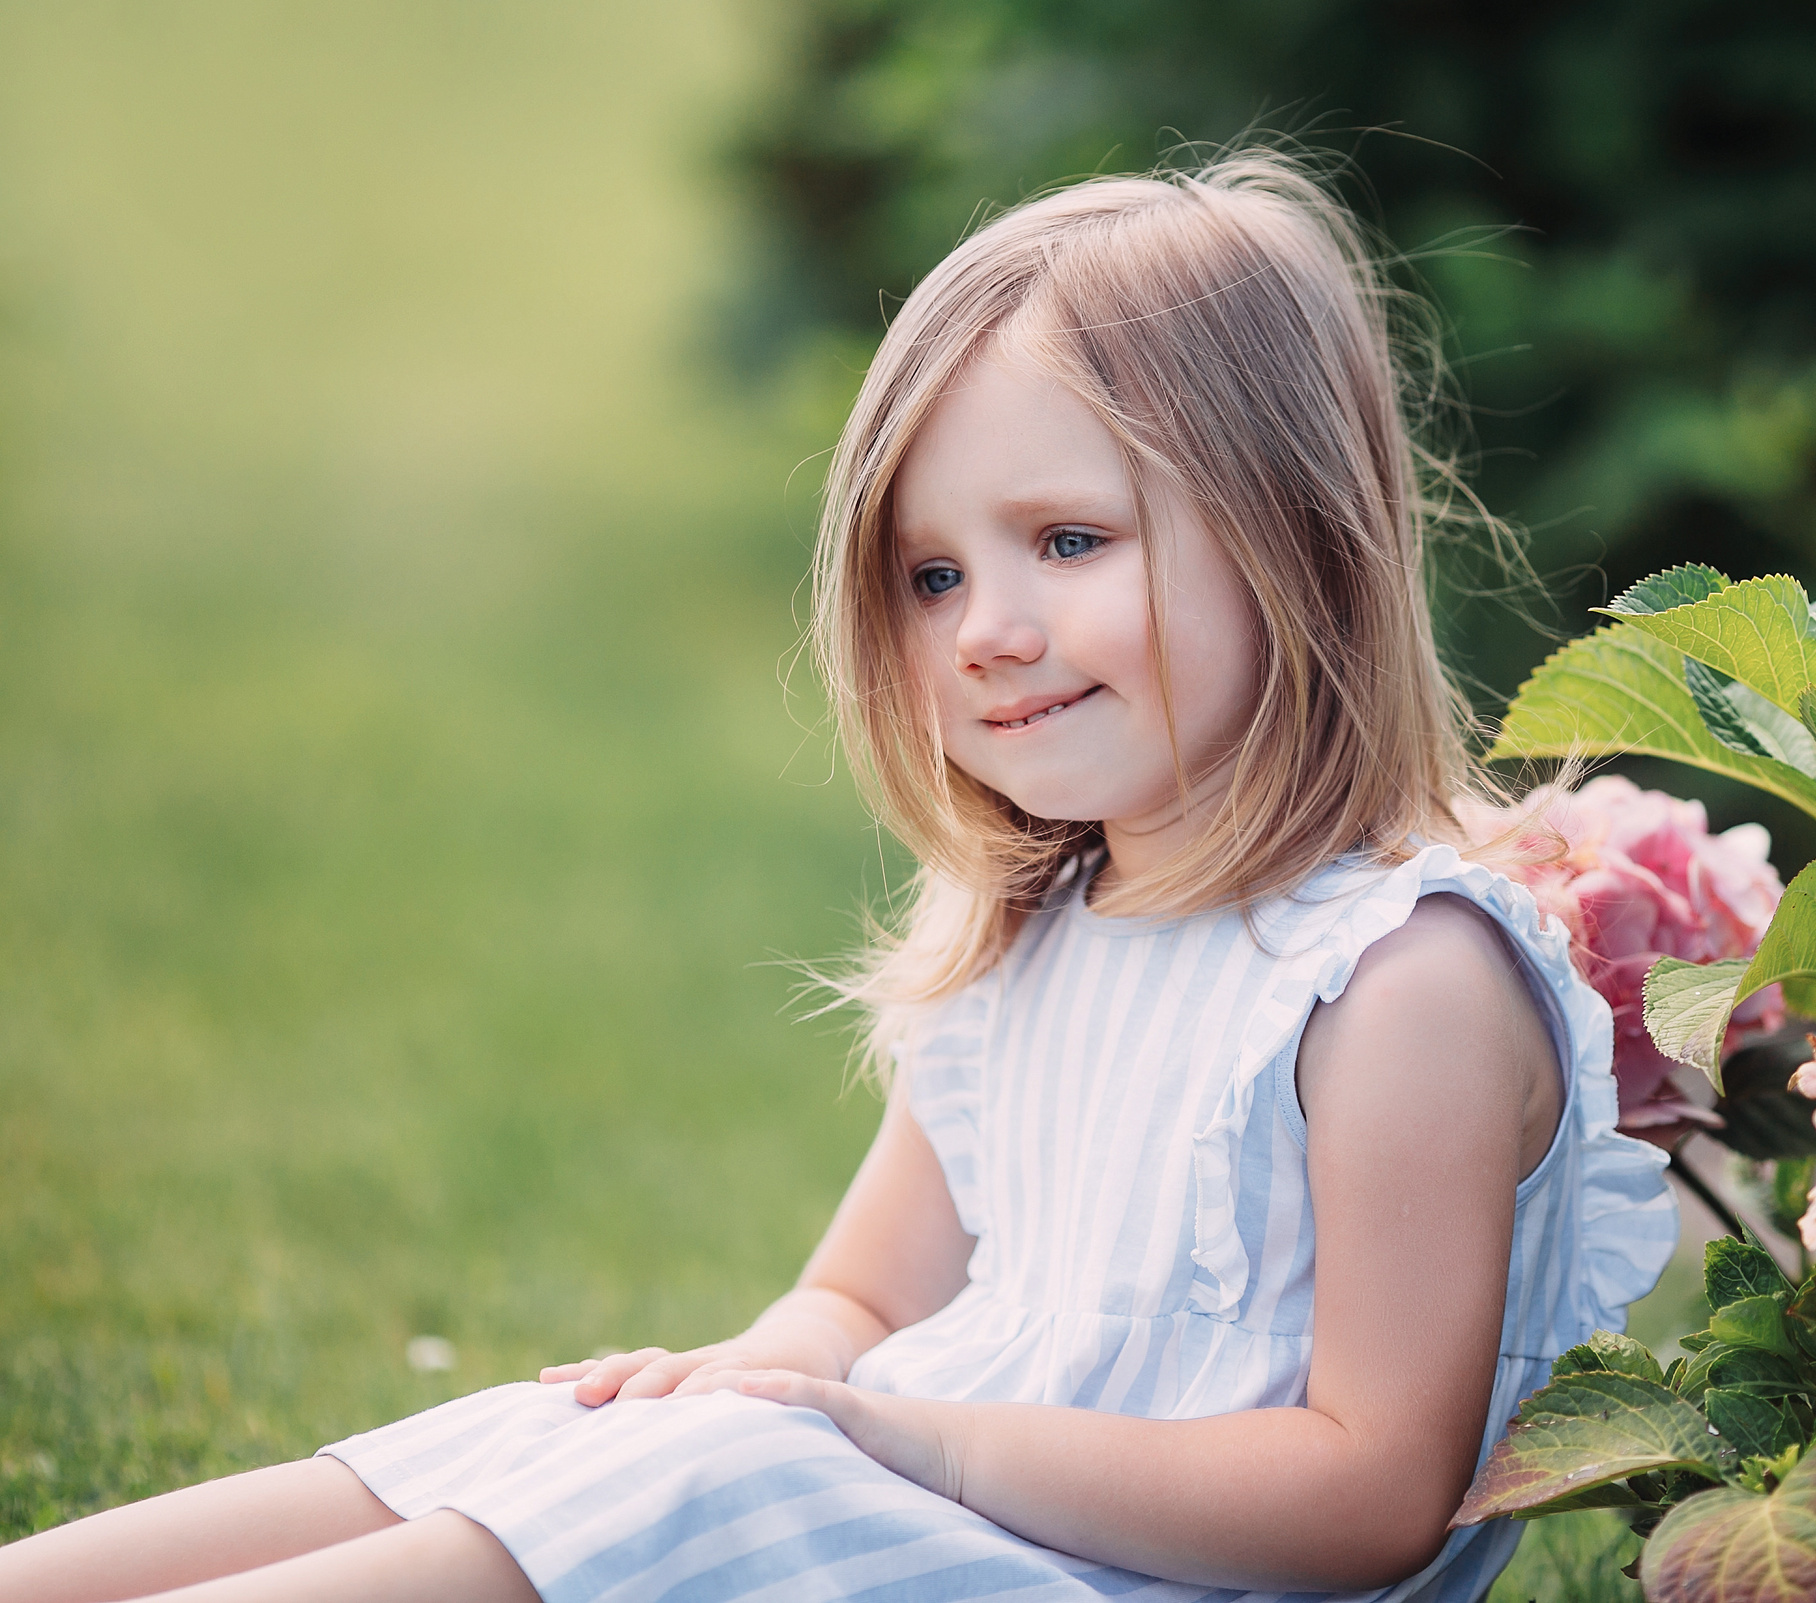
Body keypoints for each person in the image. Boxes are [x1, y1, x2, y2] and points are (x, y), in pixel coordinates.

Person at [3, 150, 1676, 1603]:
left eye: (1068, 541)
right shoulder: (1042, 931)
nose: (988, 629)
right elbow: (863, 1296)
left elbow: (1372, 1492)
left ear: (1300, 533)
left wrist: (909, 1443)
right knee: (586, 1433)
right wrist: (758, 1378)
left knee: (733, 1487)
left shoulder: (1398, 983)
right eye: (931, 574)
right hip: (948, 1517)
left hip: (1151, 1580)